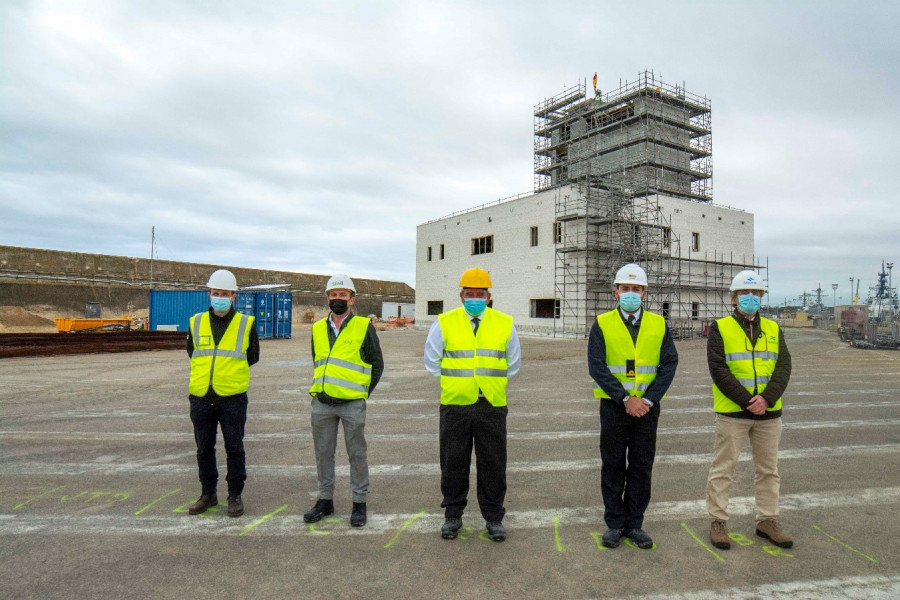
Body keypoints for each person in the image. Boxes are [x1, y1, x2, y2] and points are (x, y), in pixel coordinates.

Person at [424, 267, 521, 542]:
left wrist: (489, 383)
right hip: (455, 405)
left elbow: (513, 362)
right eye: (470, 294)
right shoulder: (444, 322)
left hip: (491, 405)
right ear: (461, 296)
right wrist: (457, 384)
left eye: (481, 294)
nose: (475, 298)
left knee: (493, 464)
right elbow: (431, 361)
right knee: (453, 462)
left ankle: (493, 518)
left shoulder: (504, 322)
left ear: (489, 296)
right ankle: (452, 516)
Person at [588, 263, 678, 549]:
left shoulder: (659, 324)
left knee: (641, 465)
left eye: (636, 289)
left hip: (647, 409)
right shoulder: (602, 323)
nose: (631, 293)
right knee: (613, 464)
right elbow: (597, 366)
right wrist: (626, 399)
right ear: (616, 292)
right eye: (625, 288)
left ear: (644, 293)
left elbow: (668, 364)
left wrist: (647, 400)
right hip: (615, 406)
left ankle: (635, 524)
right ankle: (615, 524)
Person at [706, 270, 793, 550]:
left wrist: (766, 398)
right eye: (745, 294)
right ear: (734, 299)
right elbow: (718, 369)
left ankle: (767, 520)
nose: (751, 298)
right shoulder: (720, 328)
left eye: (756, 294)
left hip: (769, 413)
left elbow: (783, 367)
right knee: (724, 468)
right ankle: (718, 521)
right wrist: (747, 400)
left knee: (768, 470)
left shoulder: (773, 328)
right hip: (733, 412)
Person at [304, 274, 384, 527]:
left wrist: (361, 392)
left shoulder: (363, 326)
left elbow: (376, 363)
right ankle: (325, 501)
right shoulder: (317, 328)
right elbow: (318, 360)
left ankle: (359, 503)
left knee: (357, 453)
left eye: (343, 295)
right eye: (333, 295)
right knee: (323, 453)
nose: (337, 299)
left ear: (352, 300)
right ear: (328, 298)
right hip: (322, 403)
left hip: (351, 404)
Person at [186, 269, 259, 518]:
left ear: (233, 296)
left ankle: (234, 496)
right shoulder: (195, 322)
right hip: (201, 398)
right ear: (209, 294)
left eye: (225, 293)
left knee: (234, 448)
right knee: (204, 449)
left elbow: (253, 357)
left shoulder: (245, 324)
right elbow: (191, 352)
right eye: (216, 293)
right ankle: (208, 494)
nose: (220, 297)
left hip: (232, 399)